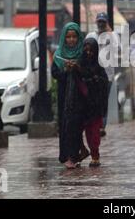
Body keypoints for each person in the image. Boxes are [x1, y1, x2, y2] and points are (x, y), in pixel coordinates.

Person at [51, 22, 88, 169]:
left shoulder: (83, 54)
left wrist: (78, 68)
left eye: (74, 37)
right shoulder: (58, 55)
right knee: (65, 125)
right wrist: (66, 70)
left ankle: (76, 154)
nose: (71, 40)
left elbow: (88, 72)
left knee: (77, 125)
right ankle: (66, 155)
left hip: (79, 97)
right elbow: (55, 73)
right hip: (64, 96)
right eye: (68, 37)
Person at [86, 12, 119, 137]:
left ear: (107, 23)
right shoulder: (91, 35)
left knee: (103, 101)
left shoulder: (112, 36)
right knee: (93, 101)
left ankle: (101, 127)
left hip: (107, 75)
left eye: (103, 22)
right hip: (92, 74)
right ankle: (93, 125)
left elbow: (118, 48)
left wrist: (110, 33)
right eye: (99, 21)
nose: (100, 24)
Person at [79, 38, 109, 167]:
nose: (89, 53)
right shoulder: (80, 65)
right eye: (86, 50)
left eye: (91, 51)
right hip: (84, 105)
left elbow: (104, 82)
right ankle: (87, 152)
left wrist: (96, 80)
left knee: (94, 133)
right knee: (86, 132)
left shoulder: (99, 66)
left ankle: (95, 155)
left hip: (95, 105)